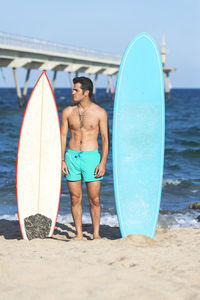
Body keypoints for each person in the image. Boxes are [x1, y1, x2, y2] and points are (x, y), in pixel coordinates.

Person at [61, 76, 109, 240]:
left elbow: (105, 139)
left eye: (76, 90)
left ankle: (96, 234)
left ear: (86, 92)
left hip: (91, 157)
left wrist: (103, 162)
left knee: (94, 199)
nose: (73, 93)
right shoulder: (68, 111)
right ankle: (79, 234)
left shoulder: (100, 112)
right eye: (73, 90)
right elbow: (62, 136)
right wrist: (61, 160)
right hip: (72, 156)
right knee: (75, 198)